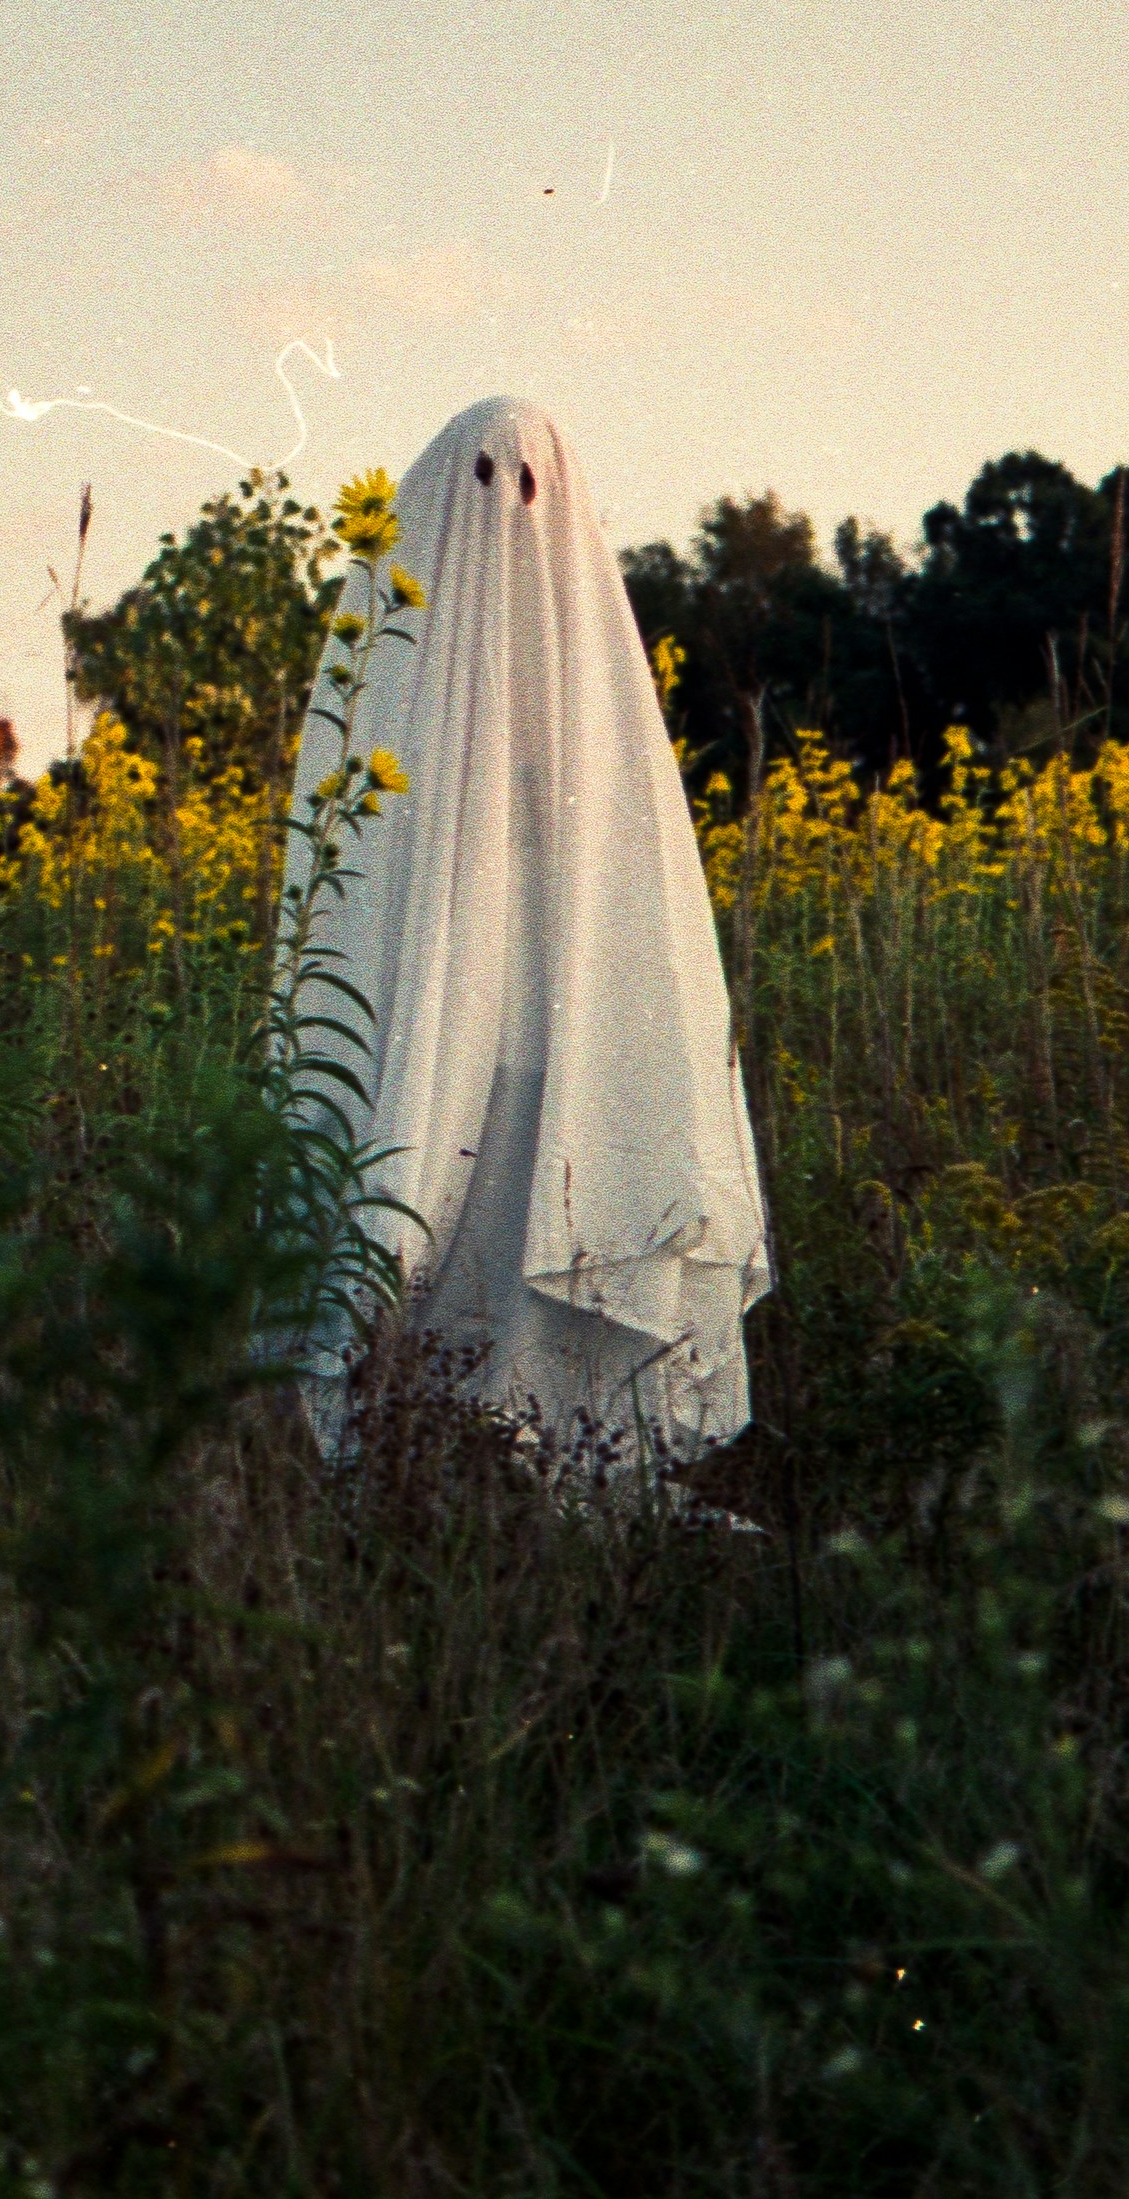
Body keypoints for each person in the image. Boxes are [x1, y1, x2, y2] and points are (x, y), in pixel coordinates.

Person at [278, 395, 773, 1478]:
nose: (511, 511)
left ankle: (563, 1478)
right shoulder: (396, 682)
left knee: (549, 1254)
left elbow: (627, 894)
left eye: (532, 486)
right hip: (437, 1043)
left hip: (558, 1041)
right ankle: (422, 1467)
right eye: (484, 486)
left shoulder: (587, 675)